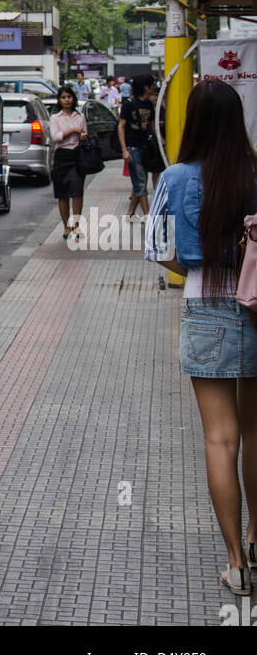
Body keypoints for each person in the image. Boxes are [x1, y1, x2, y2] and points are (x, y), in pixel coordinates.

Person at [145, 79, 257, 597]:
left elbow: (155, 248)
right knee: (255, 434)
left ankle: (236, 565)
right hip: (256, 308)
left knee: (221, 437)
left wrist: (192, 268)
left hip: (204, 306)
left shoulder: (175, 177)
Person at [50, 85, 89, 240]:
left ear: (73, 98)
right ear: (59, 100)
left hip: (77, 155)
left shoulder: (80, 116)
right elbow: (55, 137)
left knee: (78, 192)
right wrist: (73, 130)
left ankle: (77, 225)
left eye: (69, 97)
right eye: (63, 97)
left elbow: (85, 133)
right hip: (61, 156)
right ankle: (66, 226)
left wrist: (83, 136)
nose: (67, 100)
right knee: (63, 194)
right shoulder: (55, 117)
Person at [118, 73, 156, 219]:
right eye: (152, 85)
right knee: (141, 181)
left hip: (145, 148)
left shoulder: (148, 105)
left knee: (139, 180)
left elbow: (152, 126)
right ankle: (147, 216)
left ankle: (130, 213)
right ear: (146, 87)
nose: (154, 87)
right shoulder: (128, 105)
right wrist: (124, 149)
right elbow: (121, 126)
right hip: (132, 148)